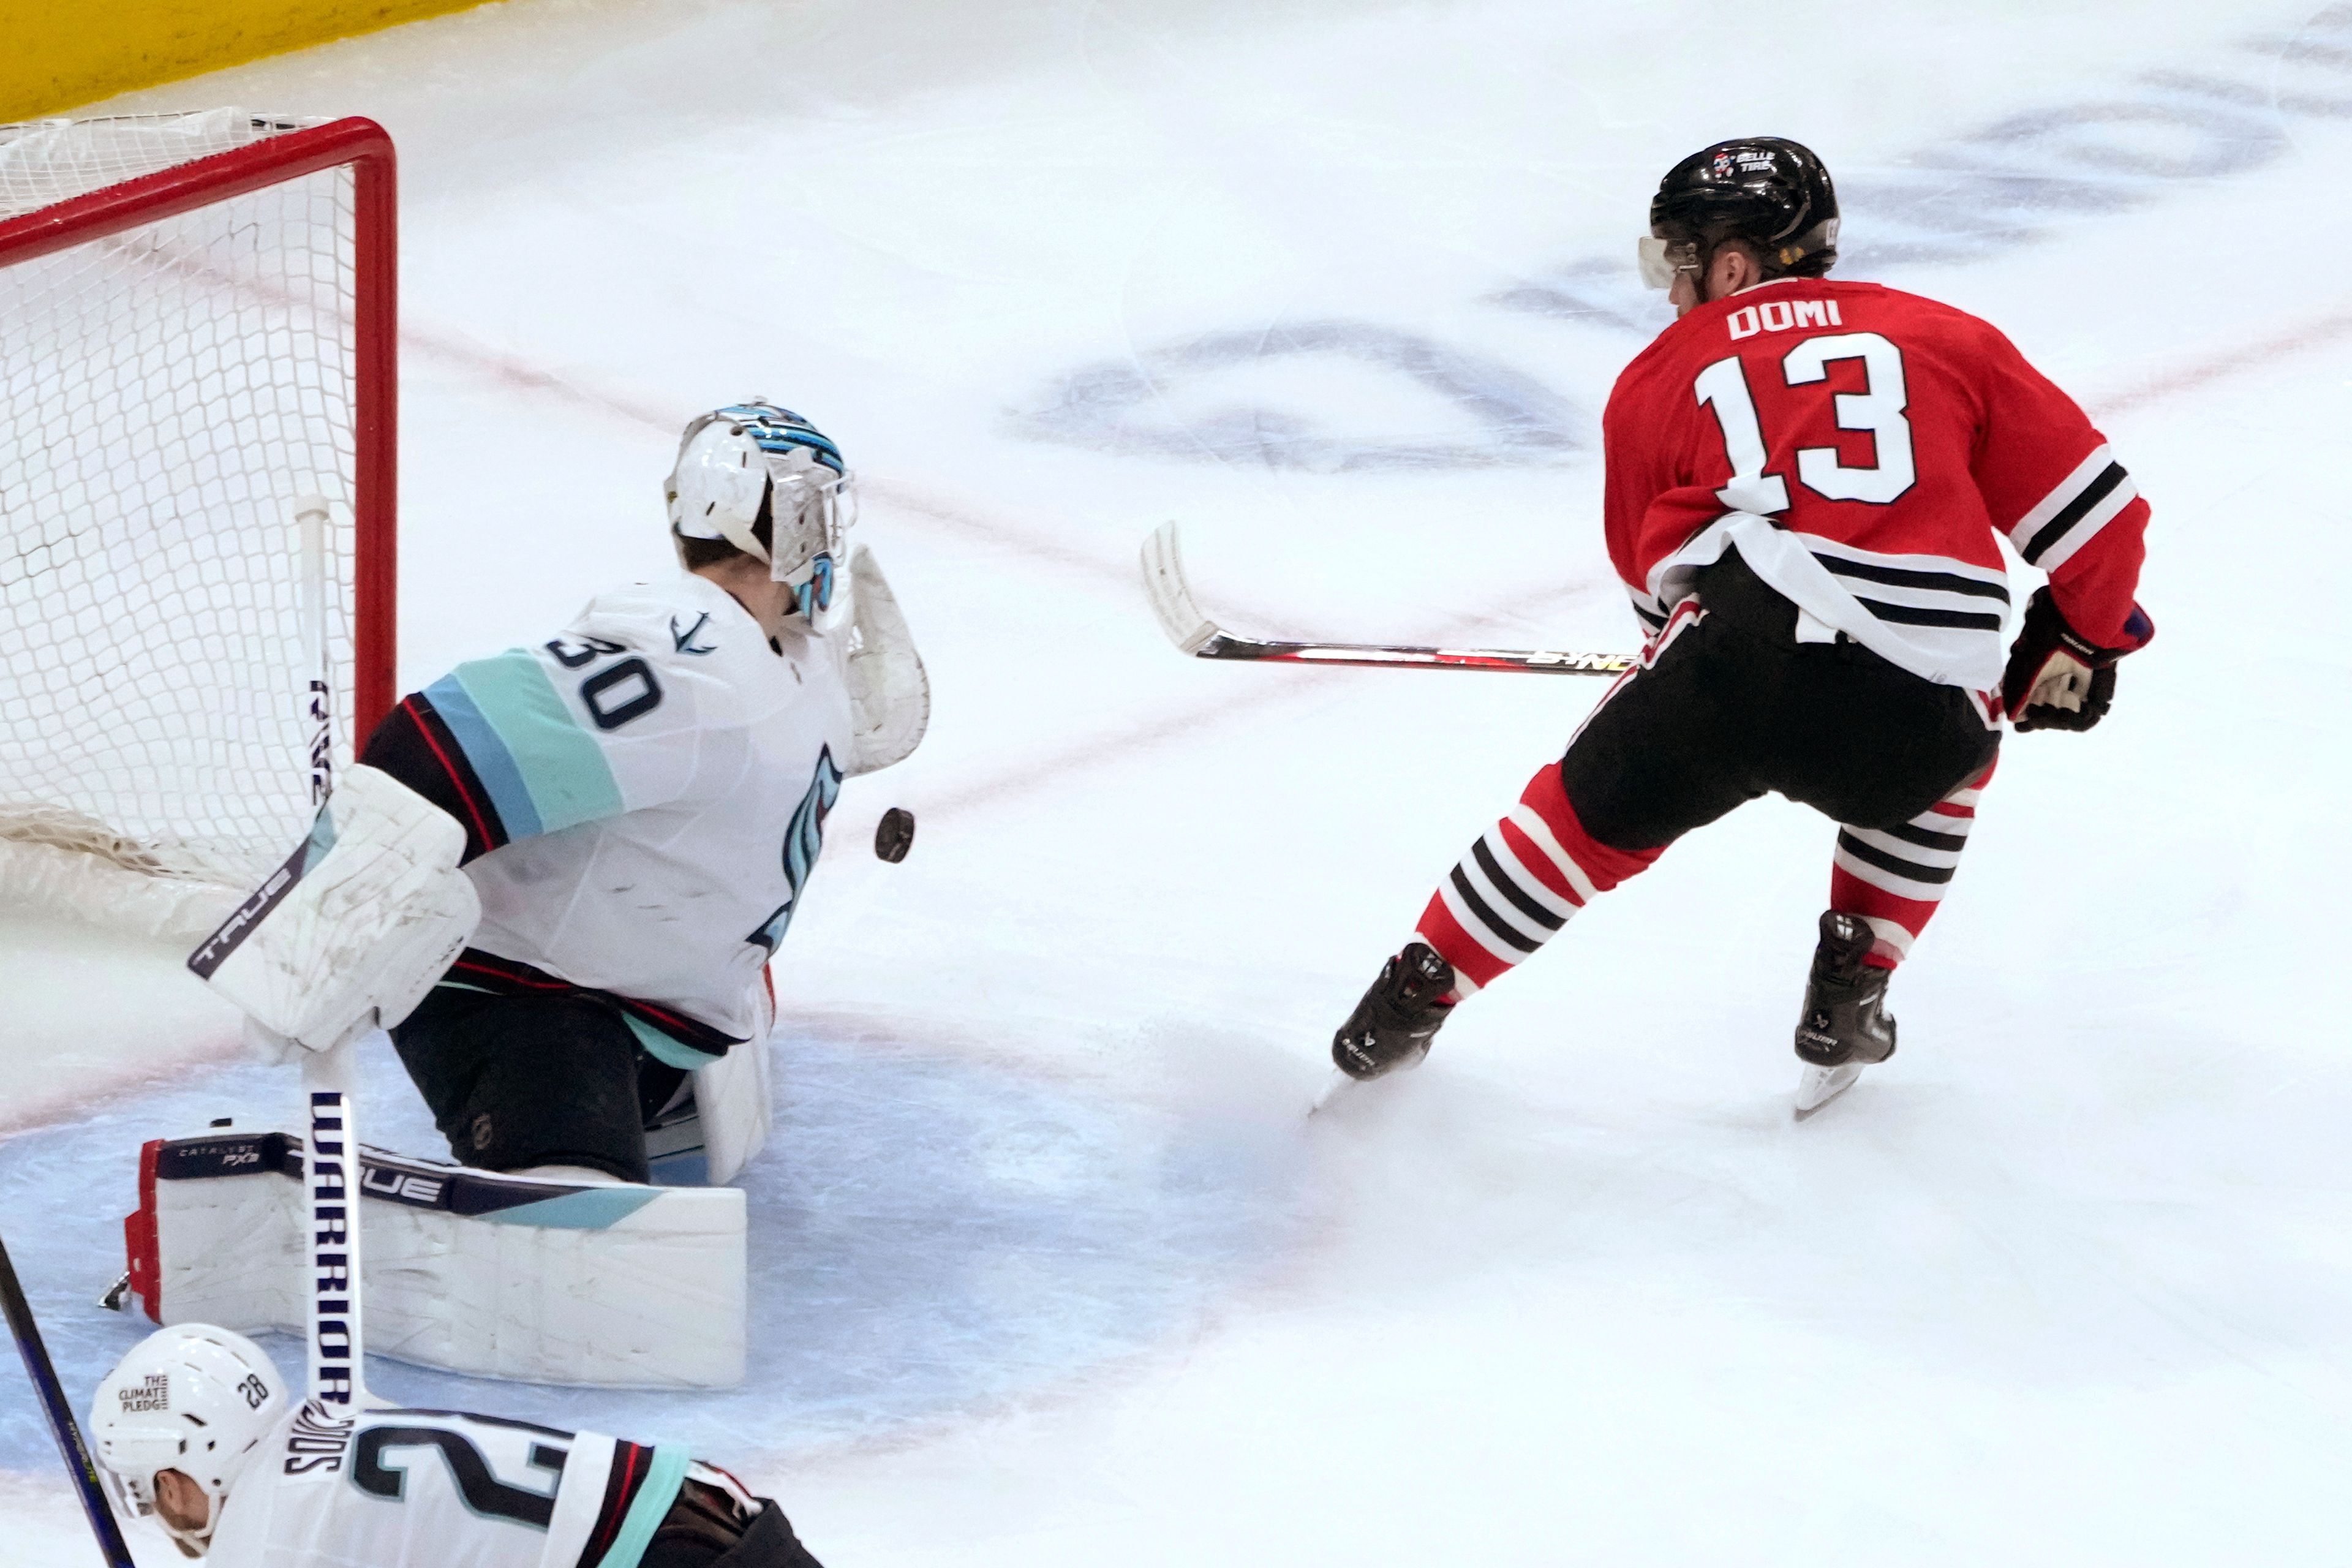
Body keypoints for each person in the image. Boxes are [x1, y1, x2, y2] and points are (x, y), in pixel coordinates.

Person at [1330, 138, 2153, 1114]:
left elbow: (1651, 589)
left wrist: (1676, 666)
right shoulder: (1945, 338)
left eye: (1678, 264)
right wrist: (2085, 635)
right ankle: (1853, 981)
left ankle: (1411, 994)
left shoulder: (1655, 377)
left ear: (1730, 264)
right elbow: (2104, 520)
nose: (1672, 293)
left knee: (1582, 819)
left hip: (1732, 650)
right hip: (1912, 697)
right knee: (1952, 761)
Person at [189, 402, 929, 1183]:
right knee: (586, 1243)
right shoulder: (688, 658)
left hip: (661, 1004)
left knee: (684, 1162)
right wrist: (321, 925)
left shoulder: (795, 650)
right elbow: (438, 742)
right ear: (800, 519)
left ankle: (656, 1089)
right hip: (523, 986)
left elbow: (769, 756)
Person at [87, 1323, 824, 1566]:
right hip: (709, 1506)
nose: (160, 1515)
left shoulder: (269, 1540)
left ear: (183, 1477)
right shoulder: (333, 1414)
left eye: (149, 1489)